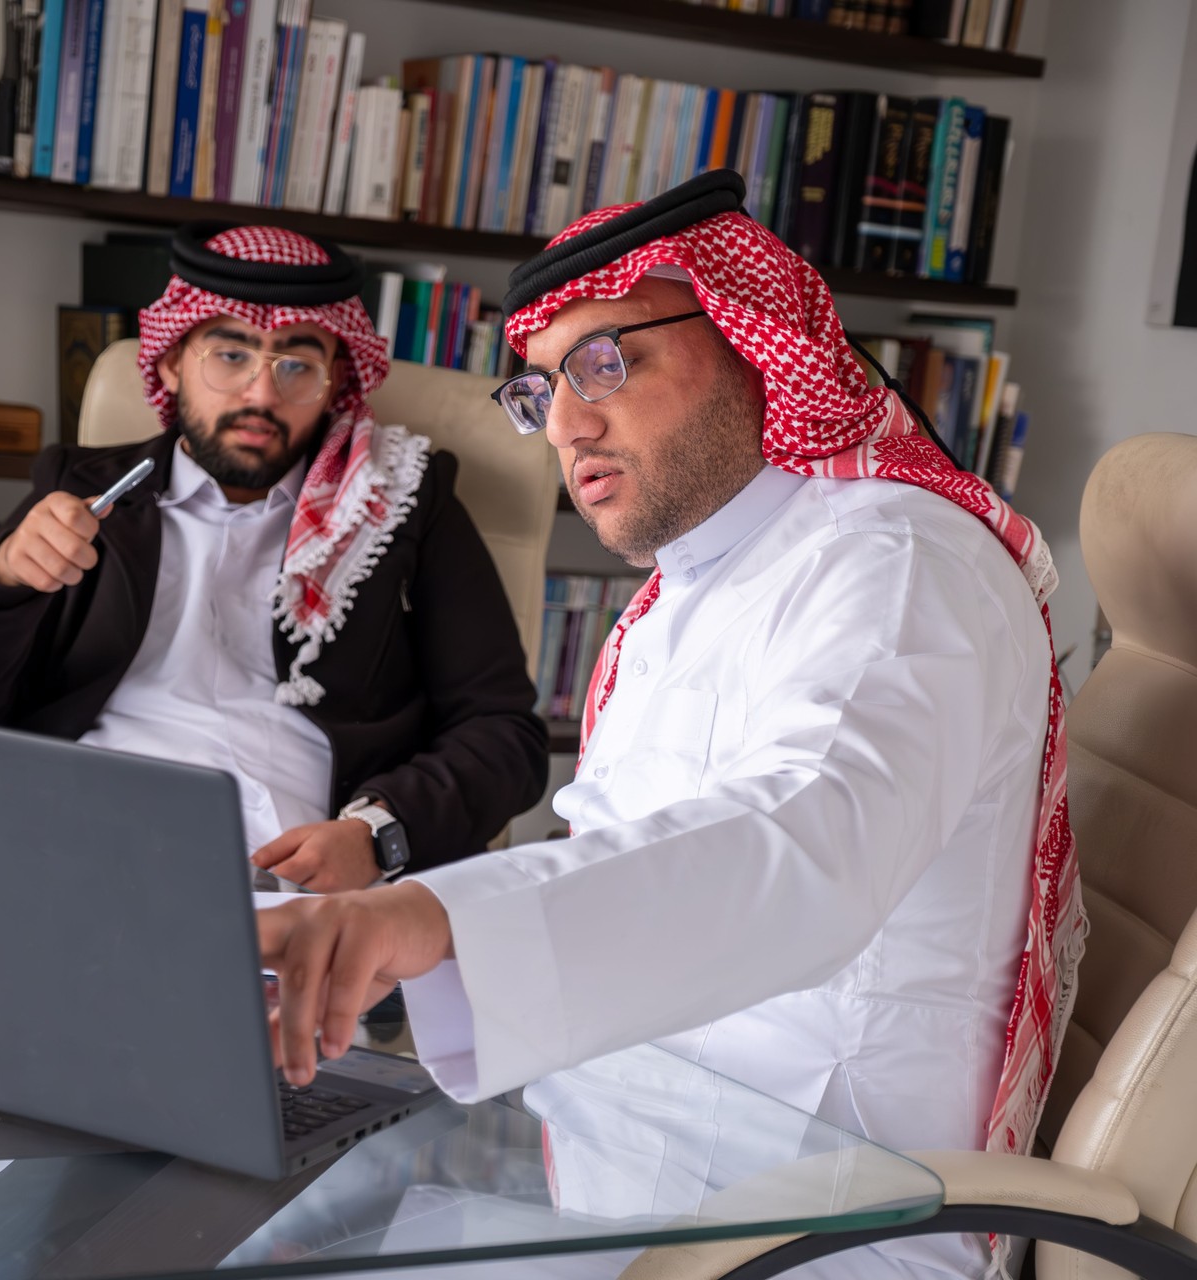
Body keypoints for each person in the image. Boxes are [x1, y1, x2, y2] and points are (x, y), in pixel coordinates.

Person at [258, 171, 1085, 1280]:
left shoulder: (896, 561)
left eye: (608, 360)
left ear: (756, 341)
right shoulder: (683, 592)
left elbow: (806, 842)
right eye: (542, 387)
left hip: (816, 1230)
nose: (565, 423)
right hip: (625, 1171)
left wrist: (427, 919)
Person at [0, 223, 547, 890]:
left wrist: (379, 834)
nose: (261, 396)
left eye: (297, 365)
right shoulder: (83, 491)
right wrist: (2, 580)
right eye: (230, 356)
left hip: (281, 878)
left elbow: (503, 735)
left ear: (334, 382)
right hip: (72, 837)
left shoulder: (401, 501)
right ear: (173, 361)